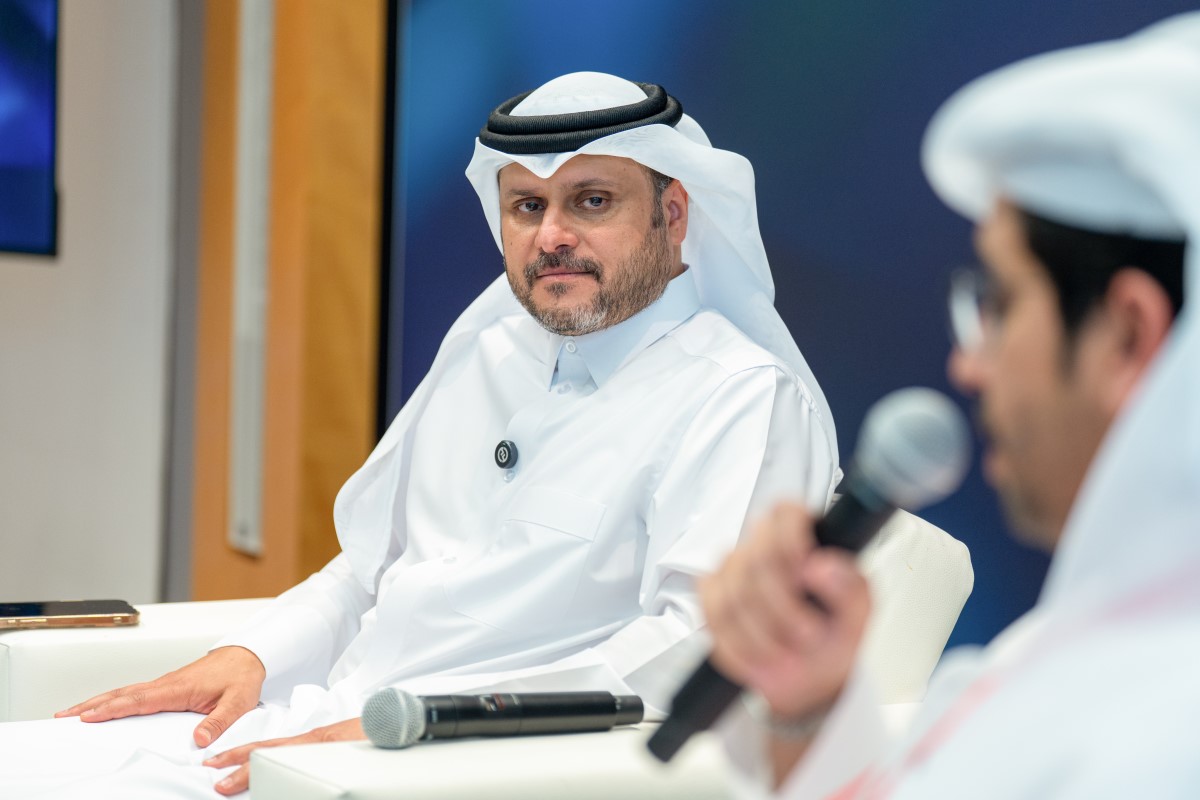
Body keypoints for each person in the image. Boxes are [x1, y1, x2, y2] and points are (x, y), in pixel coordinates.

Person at [0, 72, 840, 797]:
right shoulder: (489, 351)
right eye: (528, 206)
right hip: (311, 732)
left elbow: (695, 650)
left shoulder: (739, 399)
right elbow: (371, 570)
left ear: (674, 213)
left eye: (592, 201)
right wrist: (250, 656)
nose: (552, 236)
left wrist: (421, 726)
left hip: (455, 765)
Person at [702, 13, 1200, 798]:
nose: (967, 365)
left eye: (998, 302)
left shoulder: (1160, 740)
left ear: (1128, 334)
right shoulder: (1069, 646)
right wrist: (810, 706)